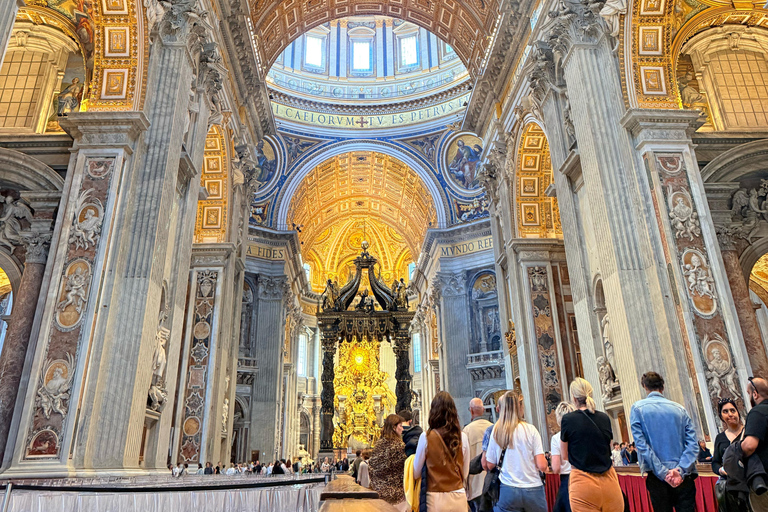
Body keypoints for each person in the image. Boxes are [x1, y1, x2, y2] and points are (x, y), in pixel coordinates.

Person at [630, 372, 698, 512]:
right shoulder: (680, 409)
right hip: (683, 477)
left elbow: (642, 446)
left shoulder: (637, 409)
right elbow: (693, 444)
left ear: (644, 386)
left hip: (657, 477)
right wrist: (680, 470)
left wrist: (663, 473)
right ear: (663, 387)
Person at [560, 378, 623, 512]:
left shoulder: (568, 420)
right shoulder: (604, 418)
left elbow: (564, 455)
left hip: (583, 483)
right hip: (609, 481)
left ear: (574, 398)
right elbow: (609, 446)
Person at [485, 391, 547, 512]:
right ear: (519, 407)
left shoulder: (497, 431)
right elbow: (542, 465)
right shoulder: (531, 430)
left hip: (508, 489)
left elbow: (490, 464)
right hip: (533, 489)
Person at [413, 391, 471, 512]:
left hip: (436, 499)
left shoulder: (426, 437)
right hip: (458, 496)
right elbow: (465, 473)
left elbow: (416, 472)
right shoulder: (463, 437)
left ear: (433, 412)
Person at [712, 397, 749, 512]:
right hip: (729, 488)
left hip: (748, 483)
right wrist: (721, 470)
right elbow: (715, 463)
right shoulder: (720, 438)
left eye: (733, 410)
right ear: (721, 416)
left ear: (738, 412)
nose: (730, 414)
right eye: (725, 411)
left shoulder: (748, 432)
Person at [368, 414, 408, 511]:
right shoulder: (399, 447)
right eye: (400, 426)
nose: (402, 429)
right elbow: (406, 470)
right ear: (394, 427)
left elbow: (371, 467)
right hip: (397, 497)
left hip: (378, 494)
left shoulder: (378, 445)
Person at [742, 376, 768, 511]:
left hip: (765, 482)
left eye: (749, 393)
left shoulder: (757, 412)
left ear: (755, 394)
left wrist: (737, 452)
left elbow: (749, 445)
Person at [464, 397, 493, 511]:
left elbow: (464, 461)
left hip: (475, 487)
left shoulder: (466, 431)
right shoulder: (494, 428)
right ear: (484, 410)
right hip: (492, 484)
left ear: (471, 411)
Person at [551, 401, 576, 512]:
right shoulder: (579, 434)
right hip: (584, 476)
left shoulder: (557, 438)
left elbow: (556, 468)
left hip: (567, 480)